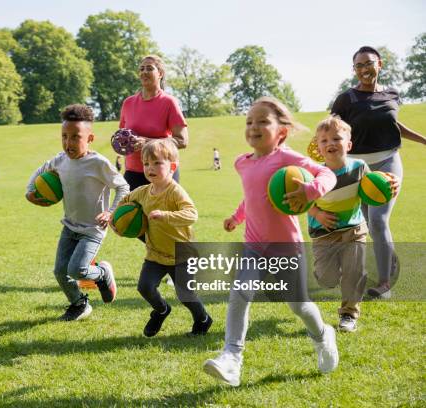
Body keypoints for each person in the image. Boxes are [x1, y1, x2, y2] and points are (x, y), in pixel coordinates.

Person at [203, 97, 339, 387]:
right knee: (240, 293)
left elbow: (327, 173)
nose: (254, 127)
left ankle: (322, 335)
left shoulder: (287, 159)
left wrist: (312, 191)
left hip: (286, 247)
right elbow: (252, 198)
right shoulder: (242, 163)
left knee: (298, 305)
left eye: (263, 121)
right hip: (253, 245)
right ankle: (232, 358)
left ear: (282, 132)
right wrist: (237, 217)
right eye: (249, 121)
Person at [330, 45, 426, 299]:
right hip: (357, 169)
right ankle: (390, 264)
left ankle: (385, 284)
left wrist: (424, 140)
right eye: (358, 66)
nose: (363, 69)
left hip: (387, 162)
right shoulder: (346, 99)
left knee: (379, 220)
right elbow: (332, 127)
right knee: (370, 225)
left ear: (379, 64)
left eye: (368, 63)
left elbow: (393, 123)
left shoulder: (393, 93)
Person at [26, 104, 129, 321]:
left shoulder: (98, 163)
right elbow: (40, 171)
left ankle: (102, 274)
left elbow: (123, 187)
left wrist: (110, 212)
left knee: (78, 270)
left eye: (75, 137)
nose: (68, 143)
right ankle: (79, 304)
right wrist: (30, 192)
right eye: (64, 136)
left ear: (90, 138)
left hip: (93, 229)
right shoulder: (59, 161)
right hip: (69, 226)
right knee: (60, 272)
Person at [308, 116, 399, 332]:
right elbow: (303, 201)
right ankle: (324, 274)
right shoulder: (314, 173)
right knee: (328, 280)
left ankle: (348, 314)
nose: (330, 143)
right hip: (324, 233)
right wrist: (318, 213)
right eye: (324, 140)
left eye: (336, 138)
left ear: (348, 145)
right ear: (318, 148)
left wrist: (389, 183)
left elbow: (372, 188)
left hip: (354, 229)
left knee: (354, 274)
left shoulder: (359, 167)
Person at [115, 139, 212, 337]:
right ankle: (161, 310)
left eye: (157, 163)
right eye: (146, 163)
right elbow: (124, 203)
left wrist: (166, 215)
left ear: (172, 166)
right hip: (155, 254)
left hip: (181, 255)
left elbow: (192, 214)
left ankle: (203, 319)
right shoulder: (142, 192)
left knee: (186, 295)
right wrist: (115, 220)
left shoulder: (175, 191)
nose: (150, 168)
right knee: (145, 287)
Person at [118, 55, 188, 191]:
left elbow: (182, 141)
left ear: (160, 74)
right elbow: (123, 135)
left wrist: (148, 143)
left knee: (160, 213)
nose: (144, 72)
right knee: (128, 212)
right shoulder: (128, 103)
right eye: (141, 69)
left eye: (149, 68)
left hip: (162, 173)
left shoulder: (169, 102)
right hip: (133, 173)